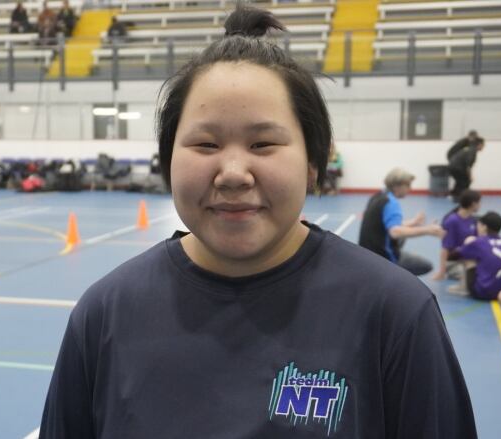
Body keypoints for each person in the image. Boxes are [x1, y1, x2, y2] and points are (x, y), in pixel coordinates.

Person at [40, 5, 476, 438]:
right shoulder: (104, 314)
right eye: (206, 143)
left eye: (263, 143)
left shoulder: (396, 315)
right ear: (168, 158)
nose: (232, 173)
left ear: (312, 162)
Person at [358, 168, 445, 276]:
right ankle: (389, 274)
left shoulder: (379, 195)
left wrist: (413, 222)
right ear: (397, 186)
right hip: (381, 256)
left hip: (366, 253)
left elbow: (385, 224)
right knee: (426, 266)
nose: (410, 189)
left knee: (403, 237)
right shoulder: (391, 203)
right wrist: (428, 230)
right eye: (408, 185)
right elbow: (395, 232)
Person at [451, 211, 501, 299]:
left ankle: (463, 288)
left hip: (484, 292)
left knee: (468, 256)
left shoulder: (479, 242)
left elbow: (453, 256)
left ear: (484, 227)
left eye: (478, 225)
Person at [431, 189, 480, 281]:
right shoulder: (452, 221)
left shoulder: (473, 220)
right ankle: (449, 270)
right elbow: (445, 248)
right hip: (454, 261)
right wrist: (441, 272)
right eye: (479, 203)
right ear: (473, 204)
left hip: (469, 258)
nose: (480, 205)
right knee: (474, 276)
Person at [447, 136, 484, 202]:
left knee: (460, 181)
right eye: (483, 145)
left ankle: (455, 196)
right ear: (479, 144)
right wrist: (470, 177)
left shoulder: (468, 148)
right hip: (457, 168)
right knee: (466, 181)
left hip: (452, 167)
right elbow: (468, 166)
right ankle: (462, 199)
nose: (483, 147)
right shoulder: (472, 152)